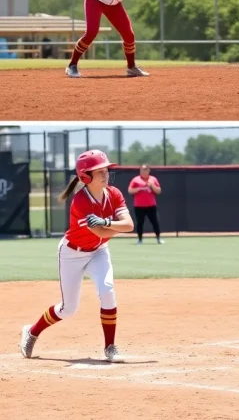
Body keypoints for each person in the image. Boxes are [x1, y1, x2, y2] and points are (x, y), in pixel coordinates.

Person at [20, 150, 134, 362]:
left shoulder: (114, 194)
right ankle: (32, 331)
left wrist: (107, 223)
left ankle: (110, 347)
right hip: (72, 254)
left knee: (107, 291)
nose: (105, 174)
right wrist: (111, 227)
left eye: (105, 169)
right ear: (85, 177)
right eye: (99, 171)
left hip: (99, 251)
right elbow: (102, 232)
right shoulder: (81, 202)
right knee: (68, 309)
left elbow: (129, 225)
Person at [128, 164, 164, 245]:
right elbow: (130, 190)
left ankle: (158, 238)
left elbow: (158, 191)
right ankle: (140, 240)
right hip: (139, 206)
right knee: (140, 223)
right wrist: (139, 189)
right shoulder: (135, 180)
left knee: (155, 222)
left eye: (145, 169)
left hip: (151, 205)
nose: (144, 171)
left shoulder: (153, 179)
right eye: (142, 170)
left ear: (148, 170)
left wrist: (152, 185)